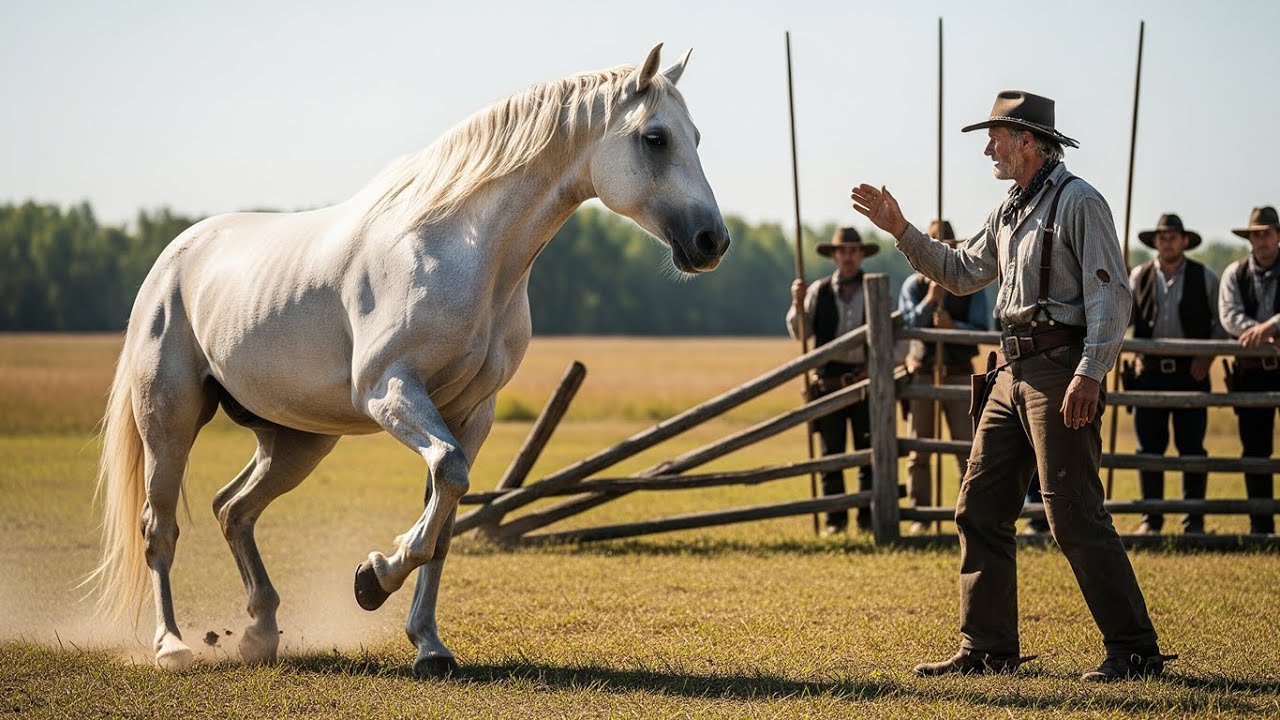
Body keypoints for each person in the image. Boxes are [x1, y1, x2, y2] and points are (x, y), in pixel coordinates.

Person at [851, 90, 1172, 682]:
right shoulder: (1009, 209)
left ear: (1027, 141)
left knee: (1072, 513)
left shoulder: (1081, 202)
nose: (987, 148)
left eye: (995, 136)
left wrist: (1089, 373)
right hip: (1011, 371)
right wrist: (899, 229)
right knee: (979, 508)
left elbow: (1111, 295)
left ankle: (1135, 650)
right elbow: (959, 270)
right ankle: (988, 649)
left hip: (1059, 370)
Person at [1127, 214, 1222, 536]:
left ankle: (1192, 519)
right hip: (1149, 373)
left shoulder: (1205, 277)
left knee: (1191, 447)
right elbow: (1120, 315)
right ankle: (1150, 520)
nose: (1167, 242)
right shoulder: (1138, 276)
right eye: (1162, 237)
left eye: (1173, 237)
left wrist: (1207, 354)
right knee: (1149, 448)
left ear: (1184, 241)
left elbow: (1221, 321)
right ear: (1155, 242)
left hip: (1190, 373)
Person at [898, 219, 990, 535]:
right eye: (936, 245)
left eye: (946, 246)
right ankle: (920, 515)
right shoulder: (914, 286)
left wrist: (955, 329)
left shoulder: (971, 283)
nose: (941, 250)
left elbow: (981, 329)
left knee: (967, 450)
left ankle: (971, 515)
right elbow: (906, 324)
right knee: (919, 449)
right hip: (924, 373)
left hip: (957, 375)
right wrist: (930, 301)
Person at [787, 227, 877, 534]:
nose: (848, 256)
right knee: (831, 453)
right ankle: (835, 521)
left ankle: (867, 520)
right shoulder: (818, 291)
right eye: (843, 251)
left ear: (861, 254)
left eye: (853, 250)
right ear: (835, 256)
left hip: (864, 381)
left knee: (869, 454)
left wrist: (876, 368)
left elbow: (894, 340)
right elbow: (802, 333)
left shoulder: (874, 289)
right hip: (827, 382)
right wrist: (797, 304)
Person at [1219, 205, 1280, 536]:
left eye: (1266, 233)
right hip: (1251, 370)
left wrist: (1269, 326)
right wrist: (1262, 332)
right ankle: (1261, 526)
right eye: (1255, 234)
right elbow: (1229, 315)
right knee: (1255, 449)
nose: (1261, 240)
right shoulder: (1234, 272)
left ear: (1278, 236)